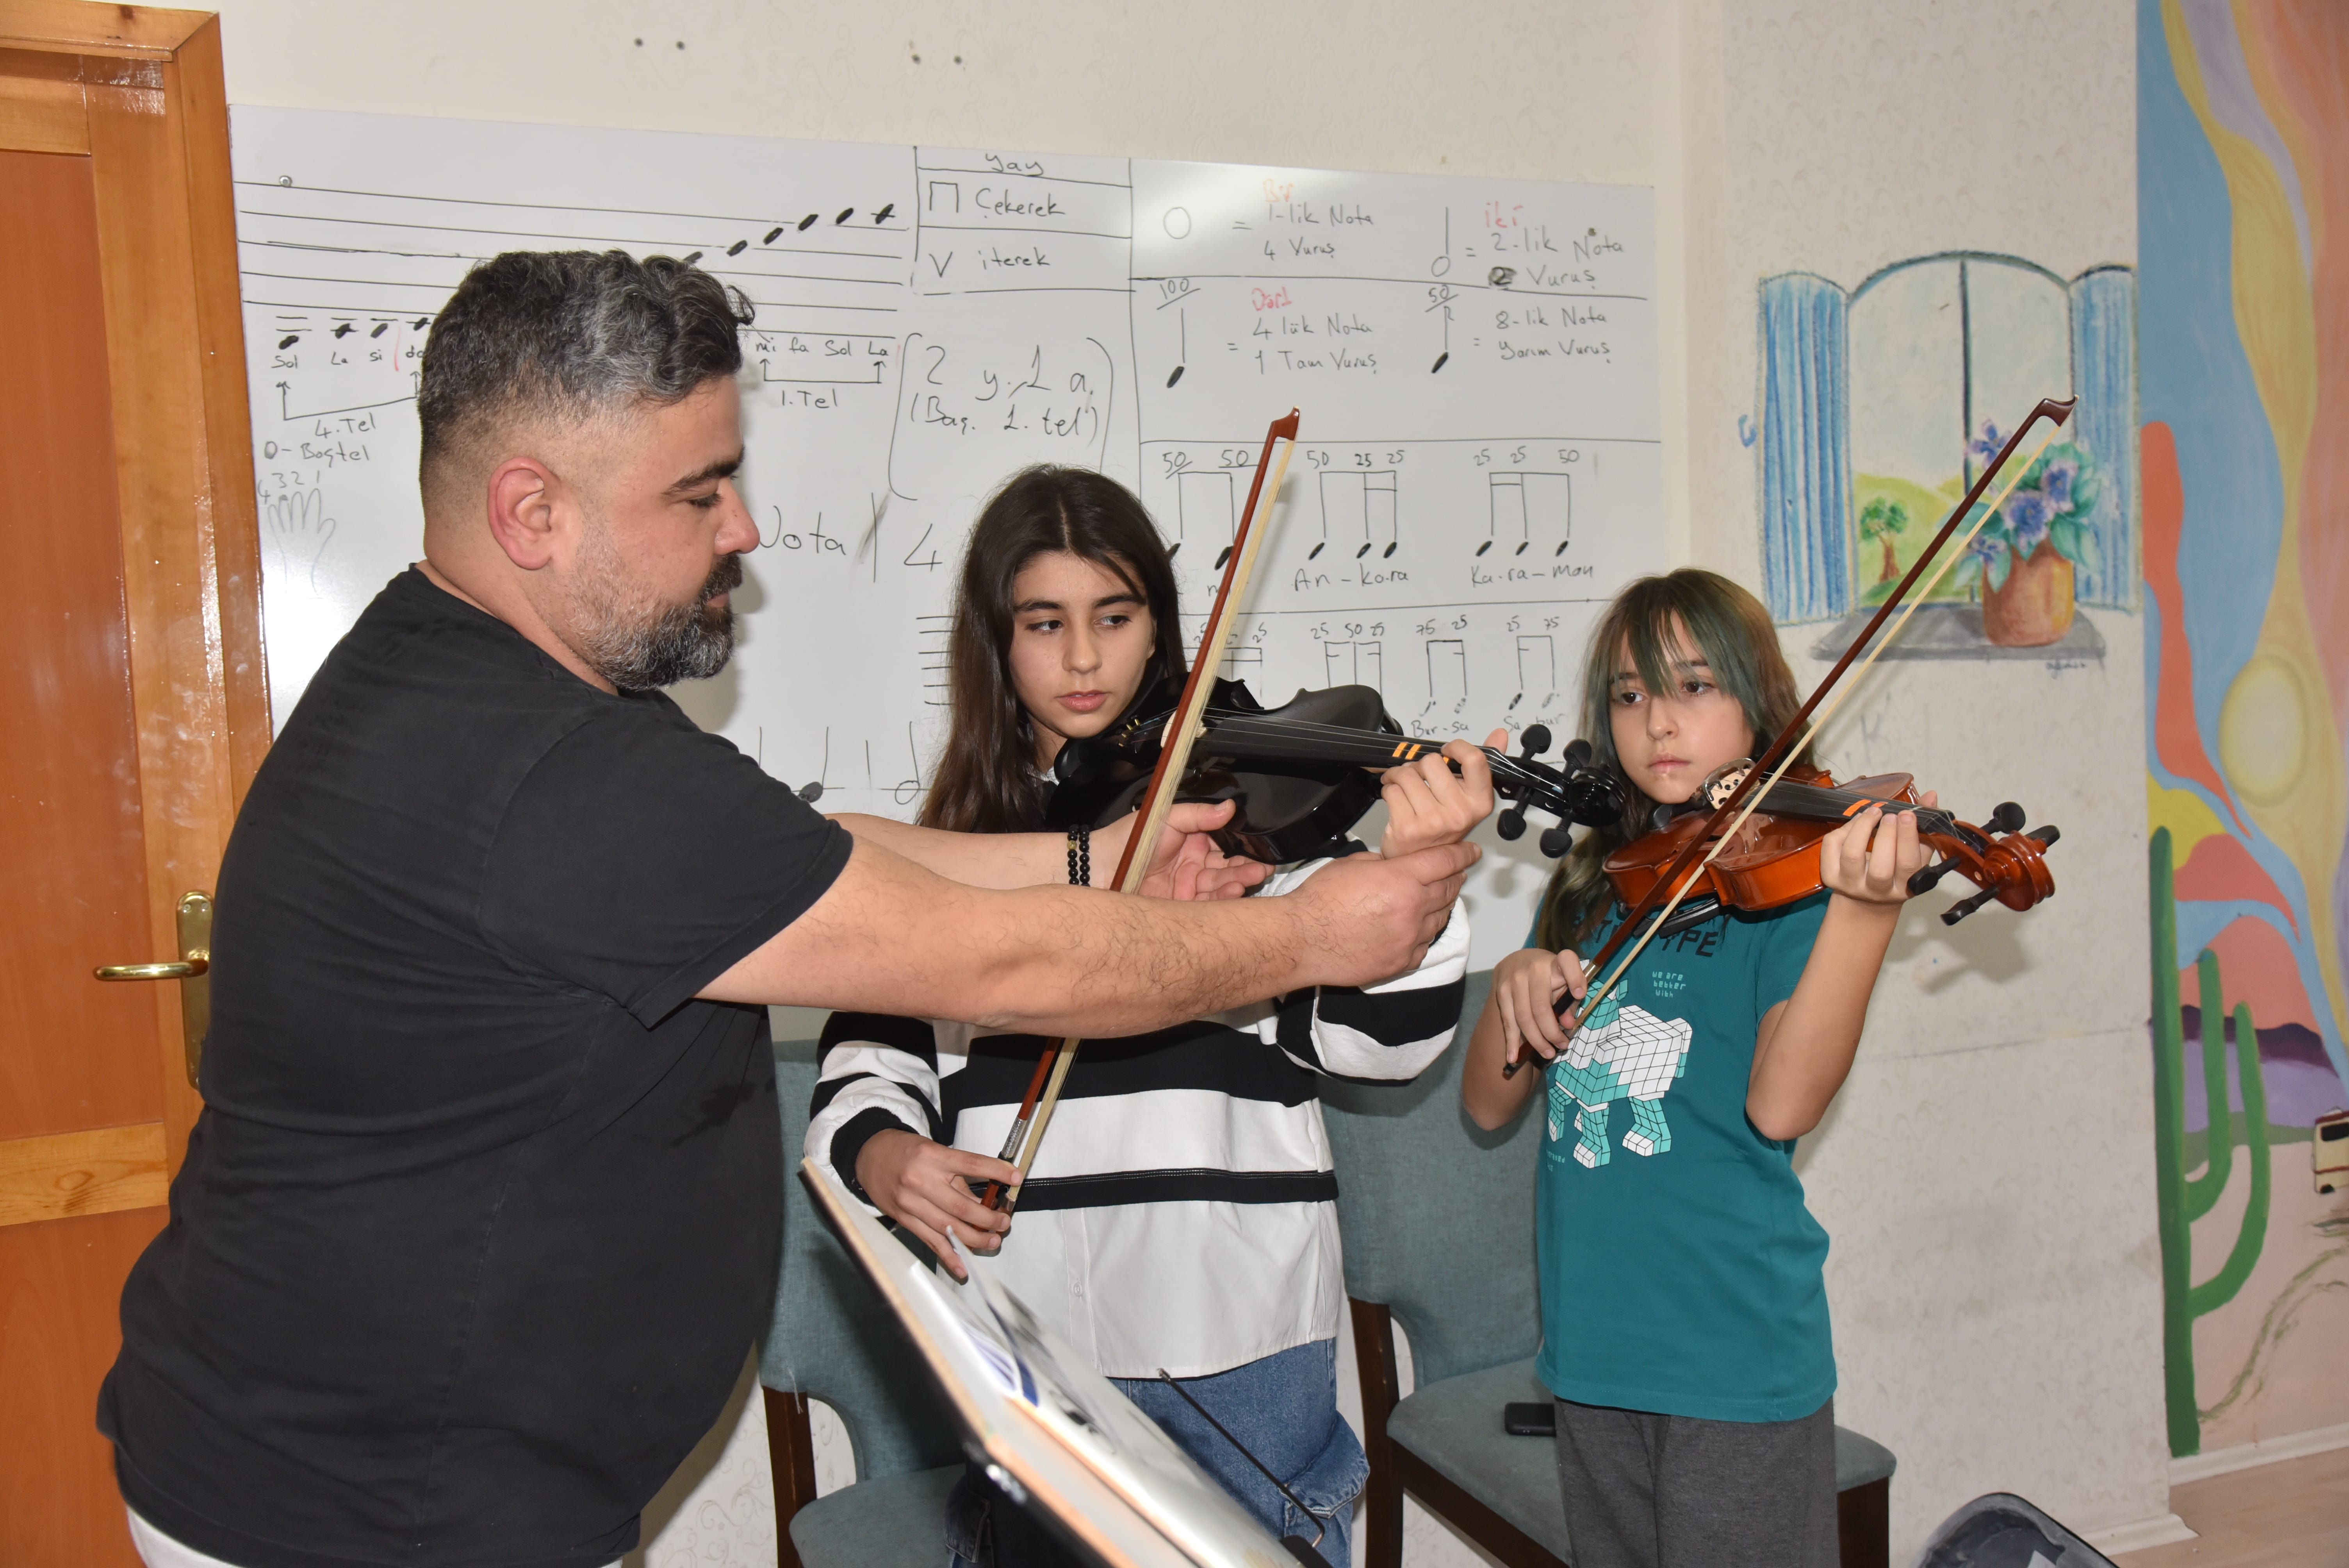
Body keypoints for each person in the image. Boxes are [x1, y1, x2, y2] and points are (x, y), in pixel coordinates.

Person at [97, 251, 1478, 1568]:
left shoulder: (468, 678)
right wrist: (1310, 936)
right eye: (699, 492)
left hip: (362, 1472)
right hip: (383, 1517)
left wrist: (1091, 854)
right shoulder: (557, 773)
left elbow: (816, 855)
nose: (743, 529)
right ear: (533, 511)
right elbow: (996, 968)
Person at [805, 465, 1504, 1566]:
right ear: (997, 641)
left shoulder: (1236, 824)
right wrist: (885, 1154)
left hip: (1238, 1334)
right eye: (1045, 622)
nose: (1084, 659)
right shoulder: (959, 860)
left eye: (1115, 617)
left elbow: (1384, 1043)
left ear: (1160, 628)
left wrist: (1416, 871)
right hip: (1030, 1339)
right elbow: (866, 1061)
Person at [1458, 568, 1929, 1568]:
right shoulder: (1595, 884)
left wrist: (1863, 911)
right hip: (1590, 1352)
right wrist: (1513, 980)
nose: (1657, 722)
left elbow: (1781, 1106)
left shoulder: (1796, 893)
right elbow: (1488, 1105)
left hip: (1730, 1356)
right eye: (1629, 695)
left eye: (1694, 686)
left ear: (1760, 705)